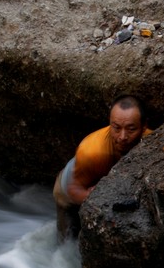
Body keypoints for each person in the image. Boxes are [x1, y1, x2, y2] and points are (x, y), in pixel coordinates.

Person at [53, 95, 146, 242]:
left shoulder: (151, 140)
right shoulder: (92, 151)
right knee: (67, 241)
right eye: (116, 128)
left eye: (131, 129)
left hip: (100, 177)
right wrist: (102, 198)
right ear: (109, 123)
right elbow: (73, 190)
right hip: (69, 189)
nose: (122, 136)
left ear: (143, 127)